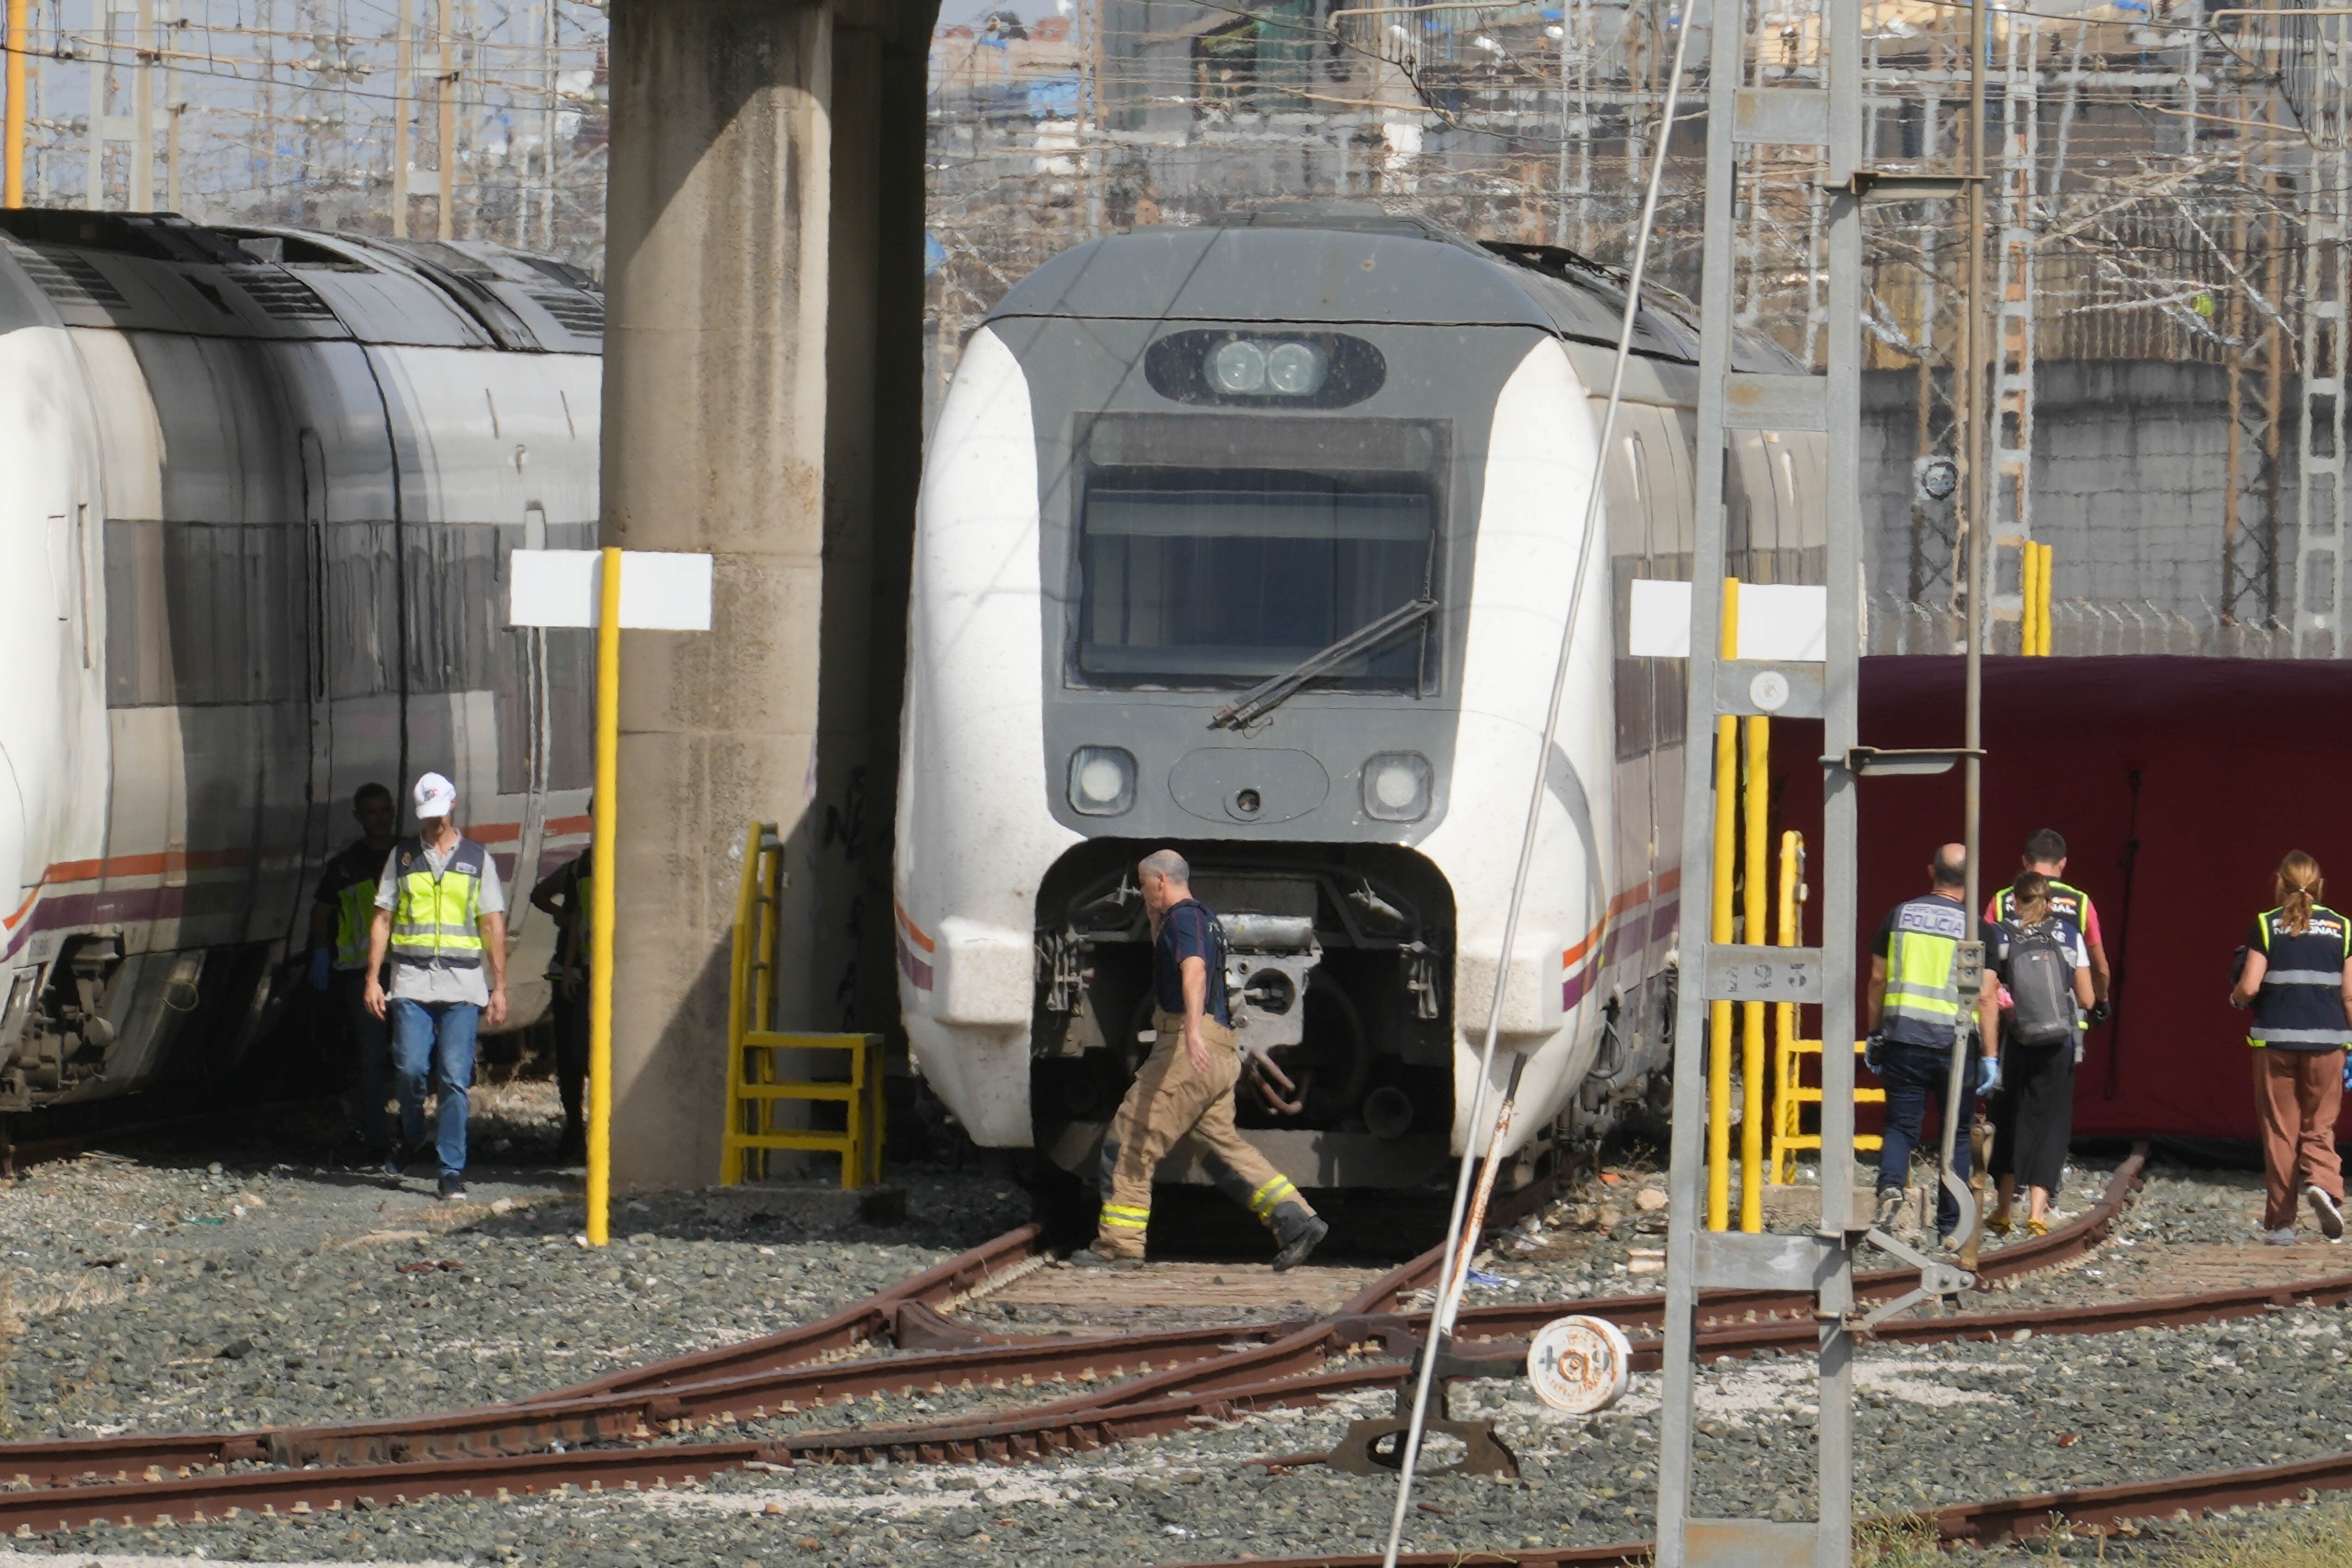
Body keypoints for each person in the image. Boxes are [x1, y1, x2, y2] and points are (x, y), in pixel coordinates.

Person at [1072, 849, 1329, 1271]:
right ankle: (1297, 1221)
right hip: (1221, 1051)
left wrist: (1191, 1031)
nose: (1141, 894)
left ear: (1159, 881)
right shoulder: (1203, 918)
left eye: (1143, 885)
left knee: (1130, 1139)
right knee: (1220, 1147)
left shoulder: (1184, 919)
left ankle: (1120, 1245)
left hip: (1188, 1047)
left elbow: (1192, 971)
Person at [364, 772, 509, 1202]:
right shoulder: (403, 857)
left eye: (439, 814)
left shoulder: (477, 859)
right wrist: (373, 979)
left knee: (453, 1076)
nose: (433, 823)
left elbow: (492, 924)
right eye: (426, 816)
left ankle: (450, 1168)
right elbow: (383, 918)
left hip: (463, 984)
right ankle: (412, 1135)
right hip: (411, 980)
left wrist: (499, 987)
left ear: (453, 805)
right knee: (409, 1068)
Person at [1865, 843, 2002, 1245]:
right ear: (1970, 880)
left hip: (1903, 1038)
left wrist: (1874, 1033)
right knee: (1956, 1134)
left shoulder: (1899, 916)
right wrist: (1992, 1058)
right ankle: (1950, 1226)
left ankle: (1891, 1186)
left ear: (1931, 872)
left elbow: (1878, 978)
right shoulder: (1979, 929)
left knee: (1900, 1125)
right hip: (1955, 1045)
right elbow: (1987, 996)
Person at [2228, 851, 2352, 1246]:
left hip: (2275, 1042)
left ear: (2280, 884)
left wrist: (2235, 1000)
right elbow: (2349, 996)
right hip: (2328, 1043)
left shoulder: (2266, 926)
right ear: (2318, 886)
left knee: (2280, 1133)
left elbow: (2249, 987)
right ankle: (2324, 1187)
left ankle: (2281, 1226)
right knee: (2320, 1125)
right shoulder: (2343, 928)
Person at [1983, 871, 2095, 1237]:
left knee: (2009, 1119)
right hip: (2059, 1044)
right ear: (2048, 902)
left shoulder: (1998, 934)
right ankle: (2037, 1214)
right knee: (2049, 1124)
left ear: (2014, 900)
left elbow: (1987, 991)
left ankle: (2002, 1210)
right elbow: (2088, 998)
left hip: (2013, 1041)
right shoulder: (2068, 934)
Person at [308, 783, 398, 1154]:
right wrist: (321, 953)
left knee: (412, 1058)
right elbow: (323, 913)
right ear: (359, 818)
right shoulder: (344, 867)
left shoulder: (409, 857)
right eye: (370, 813)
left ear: (392, 812)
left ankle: (411, 1134)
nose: (378, 819)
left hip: (411, 969)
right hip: (363, 976)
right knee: (371, 1059)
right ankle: (378, 1139)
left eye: (383, 811)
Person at [1986, 828, 2113, 1042]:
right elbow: (2100, 967)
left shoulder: (2001, 900)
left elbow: (1983, 959)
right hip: (2062, 1026)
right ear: (2063, 863)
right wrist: (2102, 1001)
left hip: (2011, 1022)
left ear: (2025, 862)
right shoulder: (2080, 903)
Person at [529, 842, 593, 1161]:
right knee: (572, 1054)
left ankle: (584, 1130)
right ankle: (574, 1128)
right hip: (576, 975)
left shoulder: (588, 869)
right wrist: (562, 917)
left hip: (589, 972)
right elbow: (541, 894)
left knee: (583, 1054)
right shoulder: (577, 869)